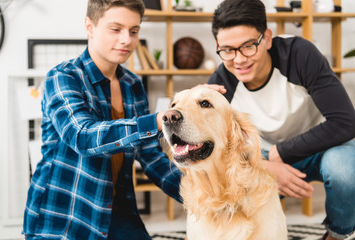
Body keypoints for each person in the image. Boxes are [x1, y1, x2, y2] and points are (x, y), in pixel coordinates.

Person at [22, 0, 182, 239]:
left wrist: (197, 193)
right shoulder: (63, 77)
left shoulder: (132, 84)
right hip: (64, 215)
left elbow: (150, 156)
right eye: (116, 29)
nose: (127, 39)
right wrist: (158, 122)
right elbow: (84, 137)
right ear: (90, 26)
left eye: (134, 31)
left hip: (115, 210)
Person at [207, 0, 355, 240]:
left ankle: (337, 236)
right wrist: (264, 166)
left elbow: (345, 122)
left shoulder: (299, 55)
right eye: (228, 50)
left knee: (347, 170)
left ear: (266, 38)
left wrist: (282, 152)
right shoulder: (221, 82)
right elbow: (218, 152)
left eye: (248, 46)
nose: (239, 60)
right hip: (264, 157)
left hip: (323, 147)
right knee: (229, 187)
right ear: (218, 47)